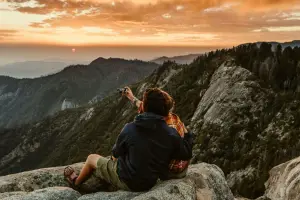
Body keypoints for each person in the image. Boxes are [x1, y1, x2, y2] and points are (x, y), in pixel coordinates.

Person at [64, 88, 193, 192]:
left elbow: (115, 154)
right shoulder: (171, 133)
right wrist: (187, 134)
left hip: (129, 181)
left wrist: (116, 161)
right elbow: (186, 153)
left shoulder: (130, 128)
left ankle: (76, 183)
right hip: (150, 181)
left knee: (92, 158)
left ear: (144, 109)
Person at [122, 87, 190, 179]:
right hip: (182, 166)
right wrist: (131, 97)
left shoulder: (165, 129)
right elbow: (142, 105)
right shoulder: (171, 117)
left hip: (172, 171)